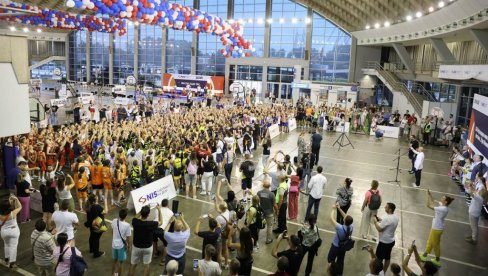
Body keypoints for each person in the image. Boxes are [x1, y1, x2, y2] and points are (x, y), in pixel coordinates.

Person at [419, 190, 454, 267]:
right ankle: (424, 255)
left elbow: (428, 205)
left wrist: (427, 196)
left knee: (436, 245)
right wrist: (430, 194)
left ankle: (437, 260)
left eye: (443, 198)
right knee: (430, 242)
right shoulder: (443, 205)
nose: (441, 199)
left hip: (437, 229)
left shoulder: (443, 209)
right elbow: (434, 200)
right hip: (435, 228)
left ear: (445, 202)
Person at [129, 204, 163, 276]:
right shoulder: (151, 224)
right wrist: (159, 210)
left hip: (136, 247)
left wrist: (143, 210)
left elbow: (135, 217)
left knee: (133, 265)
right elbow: (161, 222)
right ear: (148, 215)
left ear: (141, 213)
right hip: (147, 247)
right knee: (146, 266)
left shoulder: (135, 222)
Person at [327, 203, 354, 275]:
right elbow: (345, 216)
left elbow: (331, 218)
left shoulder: (340, 227)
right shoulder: (351, 226)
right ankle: (339, 273)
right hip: (343, 247)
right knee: (340, 261)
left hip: (335, 246)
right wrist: (339, 208)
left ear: (344, 221)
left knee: (330, 259)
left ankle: (331, 272)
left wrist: (333, 209)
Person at [373, 202, 399, 274]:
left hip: (384, 242)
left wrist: (375, 222)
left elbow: (379, 229)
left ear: (390, 210)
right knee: (387, 258)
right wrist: (380, 220)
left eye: (386, 207)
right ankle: (383, 272)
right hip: (391, 241)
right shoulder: (396, 217)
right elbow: (389, 224)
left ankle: (376, 273)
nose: (384, 207)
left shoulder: (386, 218)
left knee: (378, 259)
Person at [0, 195, 22, 269]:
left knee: (6, 244)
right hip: (14, 231)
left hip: (3, 232)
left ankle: (6, 259)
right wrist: (16, 199)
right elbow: (20, 207)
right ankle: (12, 263)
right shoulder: (13, 213)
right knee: (13, 247)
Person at [111, 208, 132, 276]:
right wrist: (128, 246)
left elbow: (112, 231)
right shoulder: (127, 225)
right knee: (120, 262)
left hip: (114, 244)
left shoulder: (114, 221)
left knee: (114, 261)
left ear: (119, 215)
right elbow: (128, 238)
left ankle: (112, 274)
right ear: (126, 216)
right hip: (121, 245)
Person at [153, 198, 174, 264]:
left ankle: (155, 253)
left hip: (153, 227)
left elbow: (155, 217)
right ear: (168, 204)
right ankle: (163, 259)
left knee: (154, 240)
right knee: (166, 244)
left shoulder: (157, 210)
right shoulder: (171, 212)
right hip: (162, 229)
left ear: (161, 204)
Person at [85, 193, 106, 258]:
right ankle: (96, 253)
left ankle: (91, 249)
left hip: (91, 224)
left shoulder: (88, 206)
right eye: (97, 199)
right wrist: (105, 203)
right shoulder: (97, 207)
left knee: (92, 236)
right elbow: (105, 212)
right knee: (96, 238)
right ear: (94, 201)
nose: (98, 199)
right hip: (97, 225)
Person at [257, 179, 277, 244]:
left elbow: (257, 202)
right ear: (270, 186)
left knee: (258, 225)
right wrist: (277, 211)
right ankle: (268, 240)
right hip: (269, 213)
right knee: (269, 226)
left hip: (261, 212)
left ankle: (255, 238)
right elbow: (274, 205)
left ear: (263, 185)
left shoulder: (259, 193)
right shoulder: (272, 194)